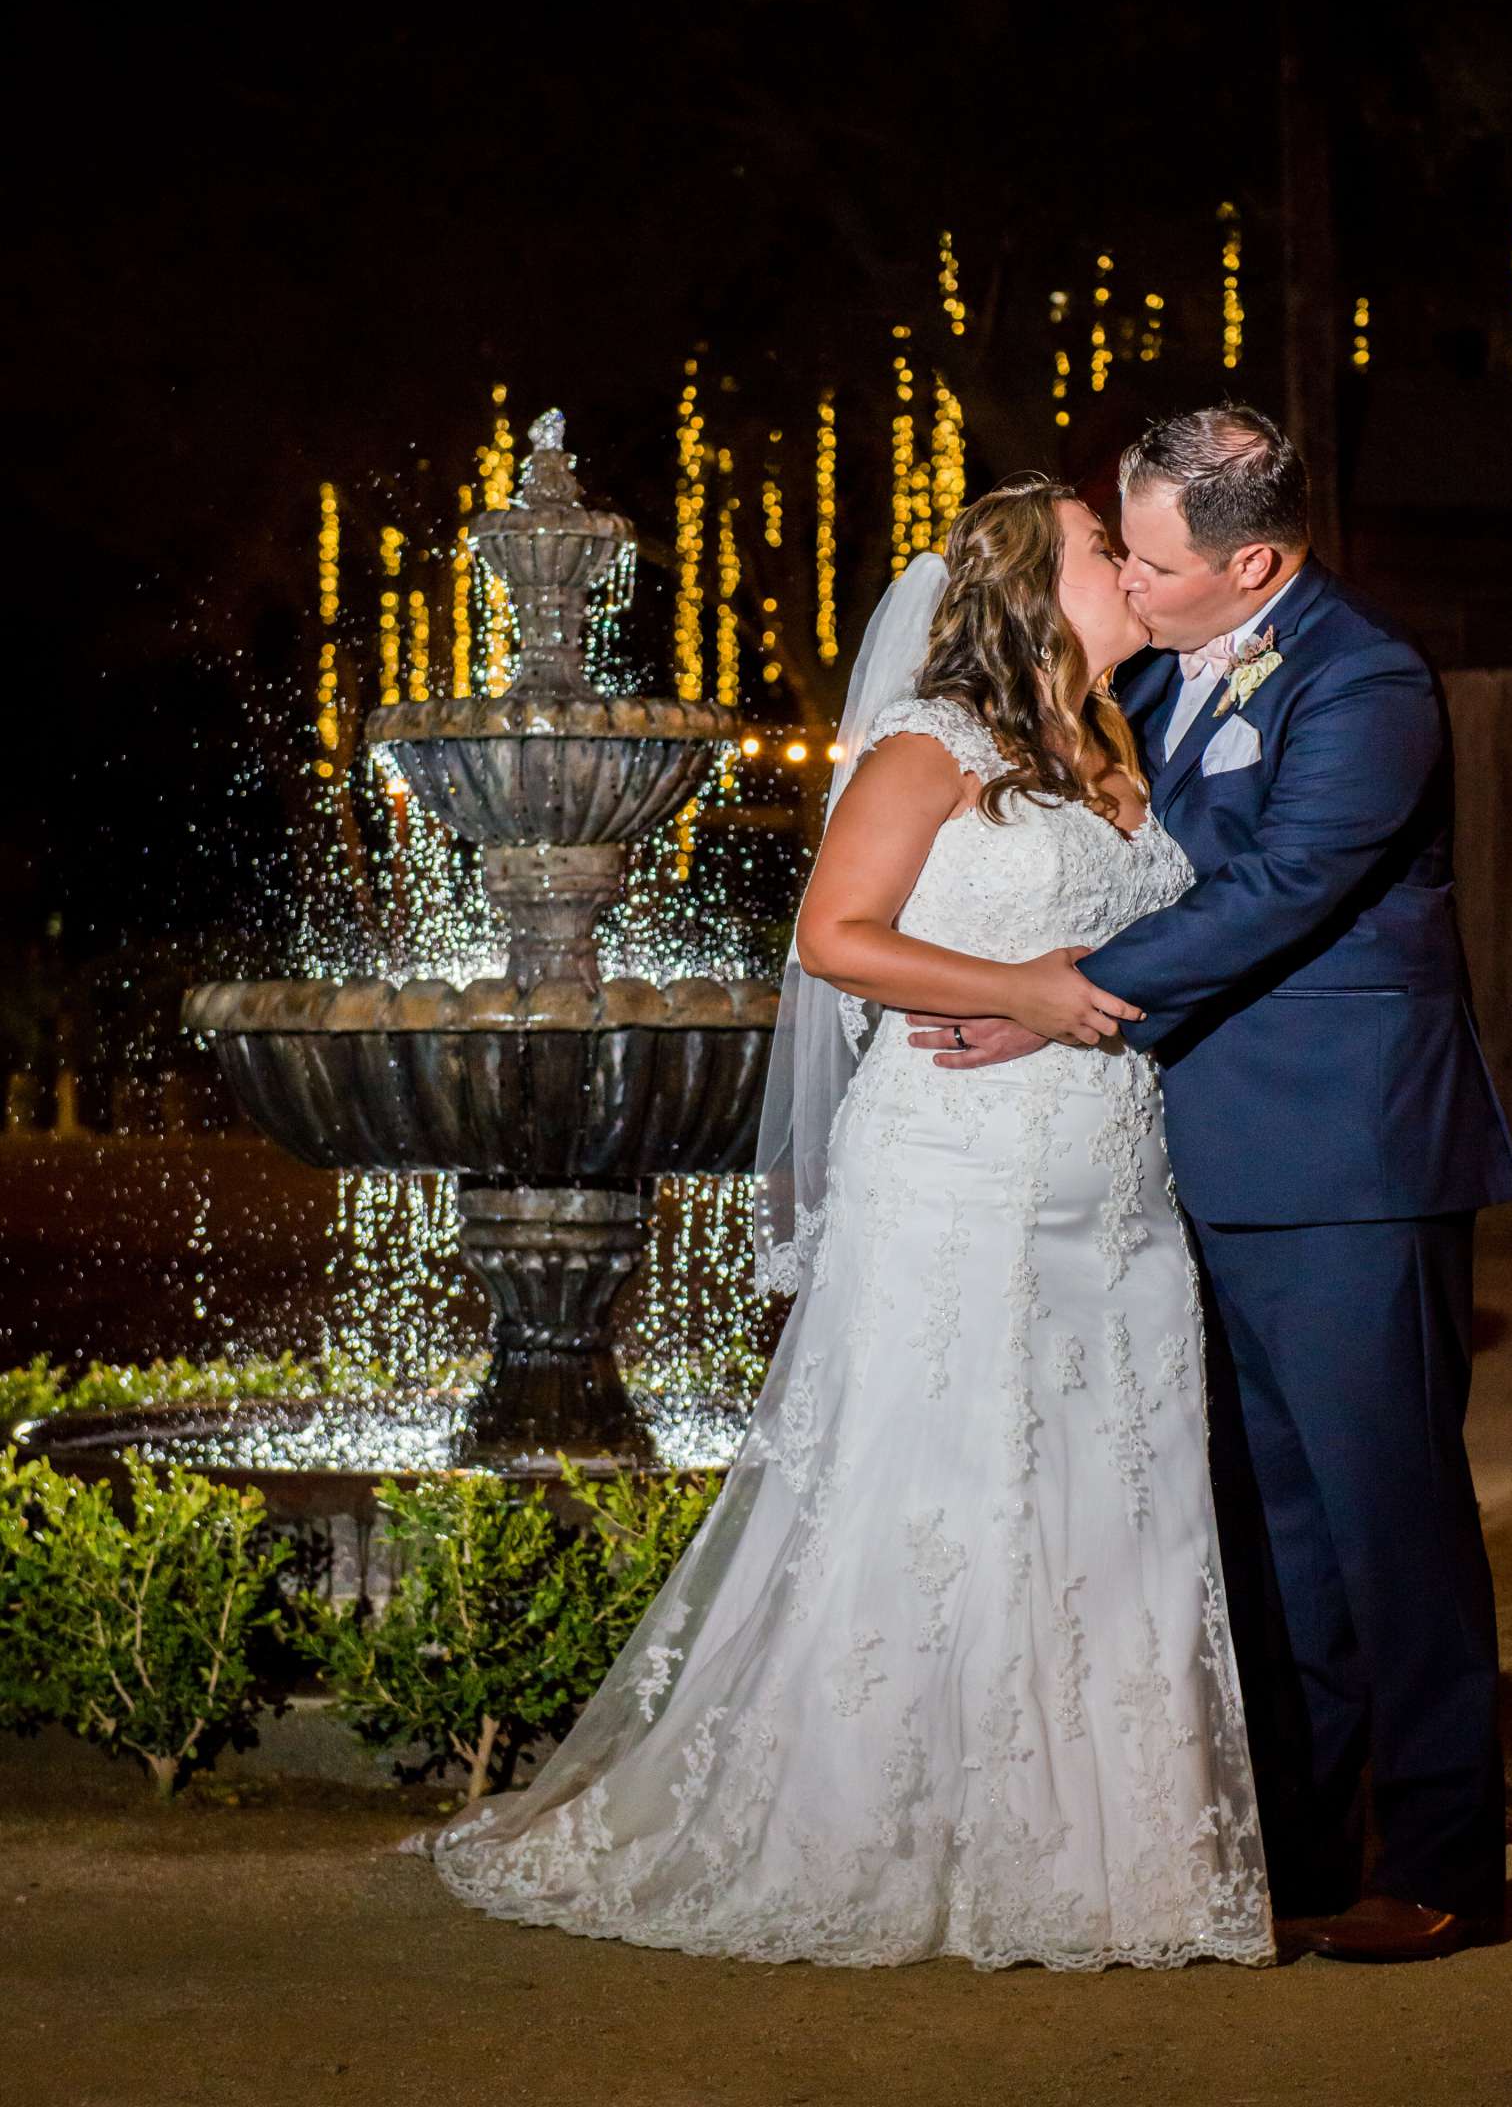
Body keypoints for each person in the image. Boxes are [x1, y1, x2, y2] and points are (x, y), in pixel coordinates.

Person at [412, 475, 1274, 1972]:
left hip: (1115, 1176)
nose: (1132, 574)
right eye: (1097, 553)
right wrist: (1022, 993)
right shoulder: (930, 744)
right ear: (1022, 587)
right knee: (943, 1479)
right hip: (954, 1165)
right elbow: (835, 938)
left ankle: (1103, 1858)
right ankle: (872, 1821)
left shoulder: (1117, 747)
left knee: (1108, 1486)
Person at [911, 408, 1512, 1962]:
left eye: (1151, 556)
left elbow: (1283, 886)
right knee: (1273, 1534)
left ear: (1252, 560)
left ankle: (1444, 1858)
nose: (1126, 575)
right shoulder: (1164, 675)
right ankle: (1307, 1854)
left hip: (1346, 1168)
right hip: (1195, 1163)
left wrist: (1058, 985)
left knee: (1391, 1520)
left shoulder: (1363, 680)